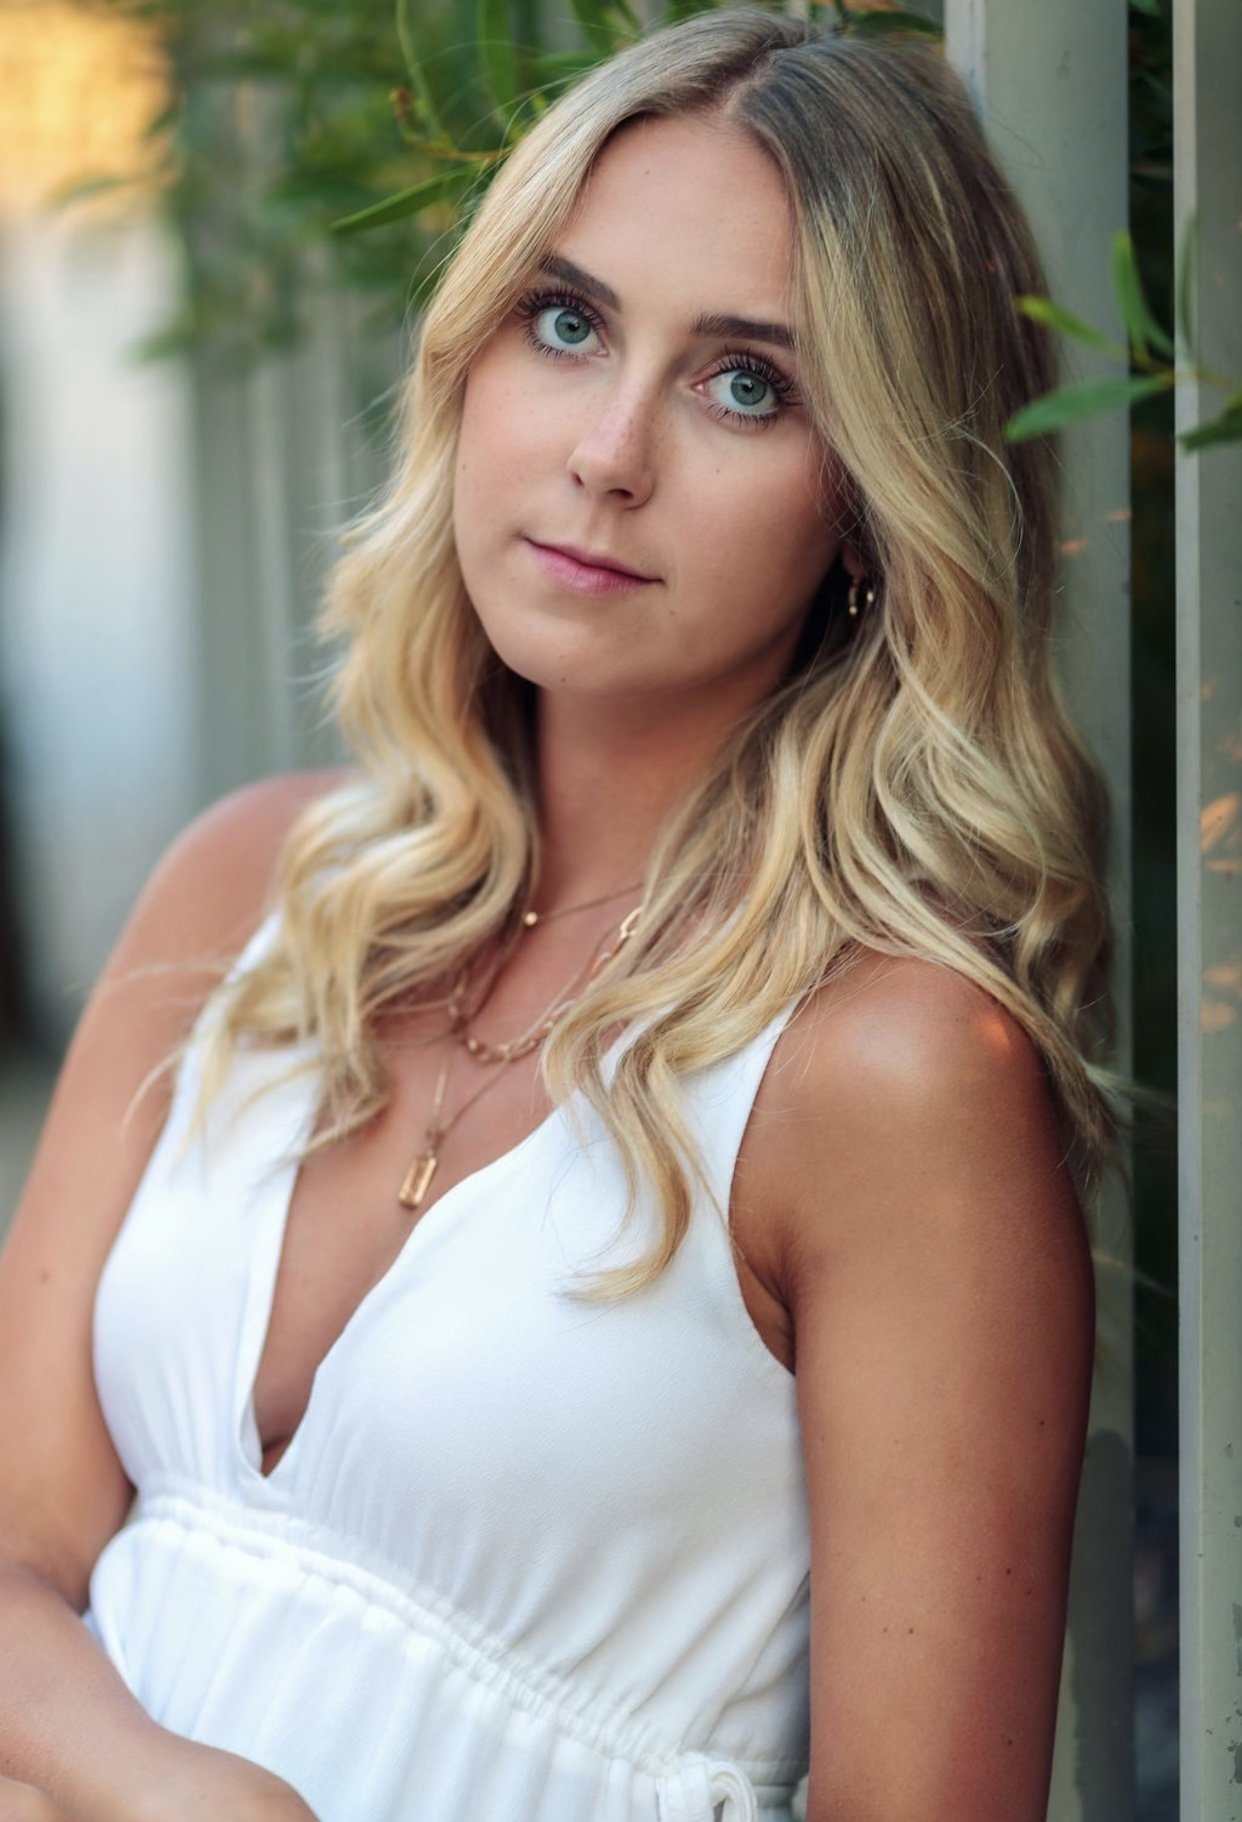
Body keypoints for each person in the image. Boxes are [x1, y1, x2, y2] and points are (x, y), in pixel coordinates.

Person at [0, 9, 1124, 1820]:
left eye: (744, 385)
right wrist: (179, 1790)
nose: (608, 451)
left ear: (867, 505)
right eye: (567, 320)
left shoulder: (890, 1072)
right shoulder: (252, 886)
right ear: (469, 358)